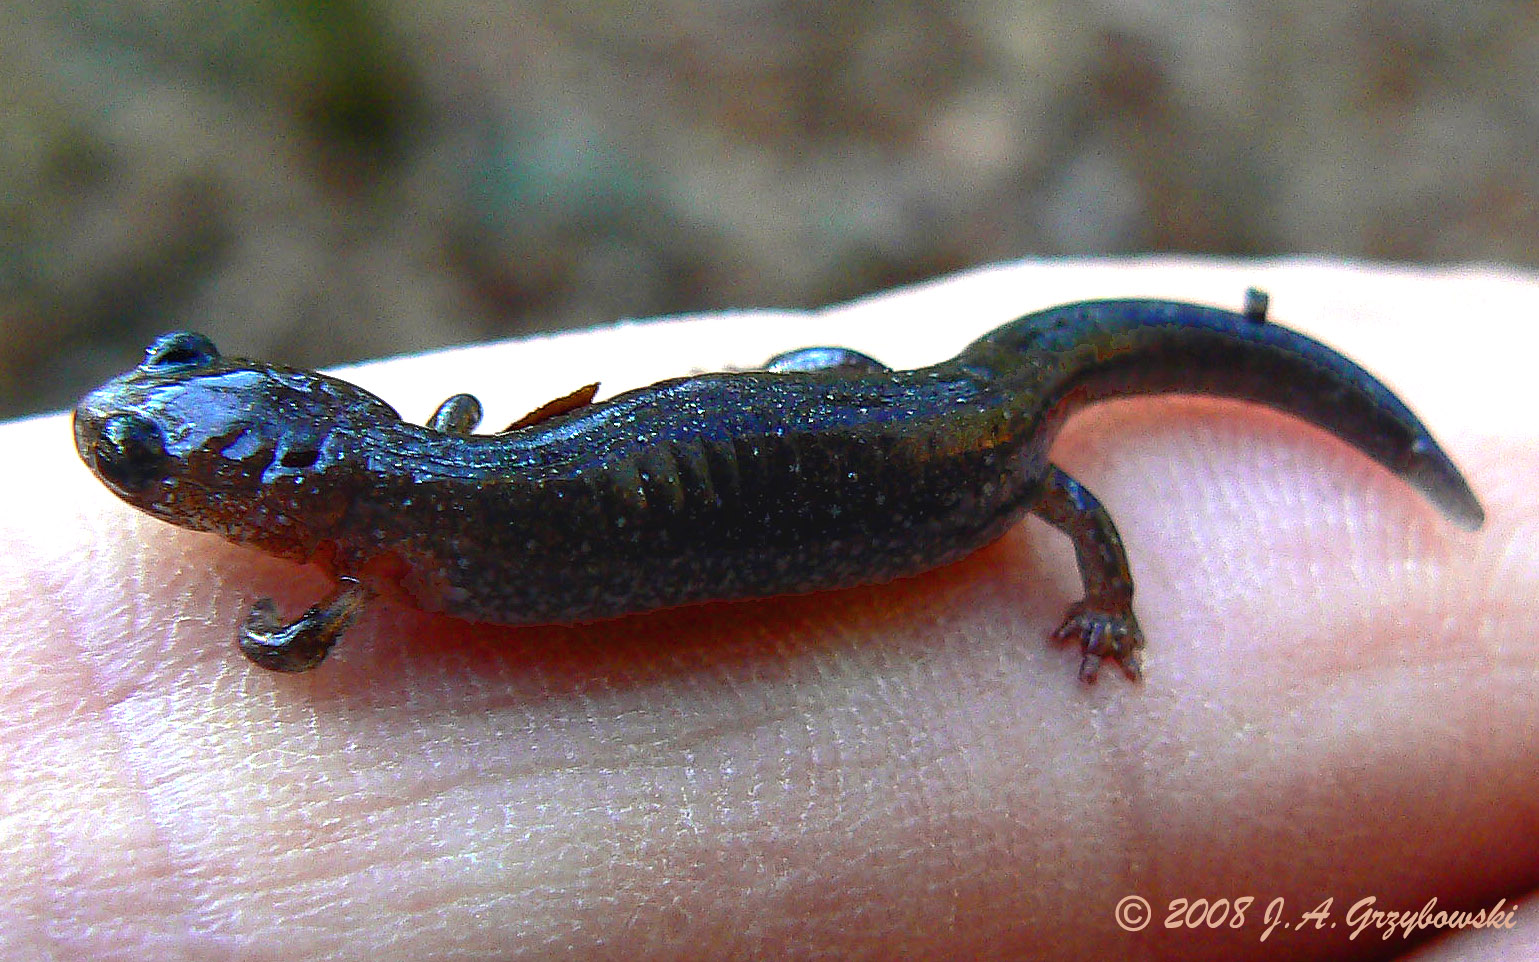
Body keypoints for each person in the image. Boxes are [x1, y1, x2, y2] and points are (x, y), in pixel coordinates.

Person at [1, 260, 1530, 960]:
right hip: (879, 424)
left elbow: (1061, 496)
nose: (122, 437)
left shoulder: (380, 542)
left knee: (1029, 483)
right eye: (155, 444)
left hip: (950, 453)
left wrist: (1106, 607)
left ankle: (1357, 435)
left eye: (154, 436)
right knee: (890, 425)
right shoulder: (409, 511)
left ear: (296, 470)